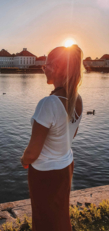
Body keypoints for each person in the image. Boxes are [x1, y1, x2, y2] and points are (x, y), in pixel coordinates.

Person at [21, 45, 83, 231]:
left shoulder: (48, 103)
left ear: (55, 67)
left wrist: (23, 160)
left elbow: (32, 152)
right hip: (66, 165)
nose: (43, 69)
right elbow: (72, 133)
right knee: (60, 217)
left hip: (45, 173)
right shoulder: (77, 99)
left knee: (44, 220)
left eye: (45, 65)